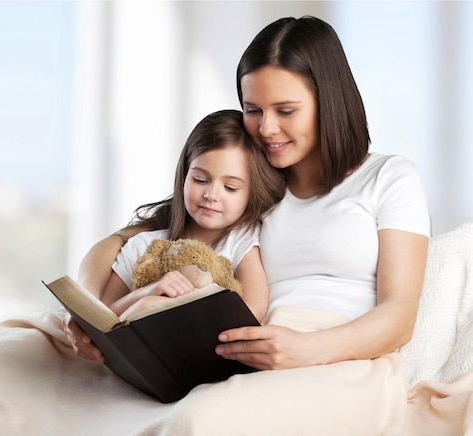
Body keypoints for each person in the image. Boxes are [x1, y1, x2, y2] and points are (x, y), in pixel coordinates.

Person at [62, 15, 432, 433]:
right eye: (253, 110)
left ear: (329, 101)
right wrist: (93, 316)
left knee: (196, 423)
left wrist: (307, 349)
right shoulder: (250, 184)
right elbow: (123, 242)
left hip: (341, 358)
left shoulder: (389, 177)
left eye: (286, 110)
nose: (266, 128)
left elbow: (400, 313)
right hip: (248, 354)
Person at [102, 109, 285, 322]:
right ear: (184, 176)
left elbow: (251, 311)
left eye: (230, 187)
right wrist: (147, 292)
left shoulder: (242, 242)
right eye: (200, 180)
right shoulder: (142, 245)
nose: (211, 195)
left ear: (252, 192)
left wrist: (178, 303)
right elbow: (102, 314)